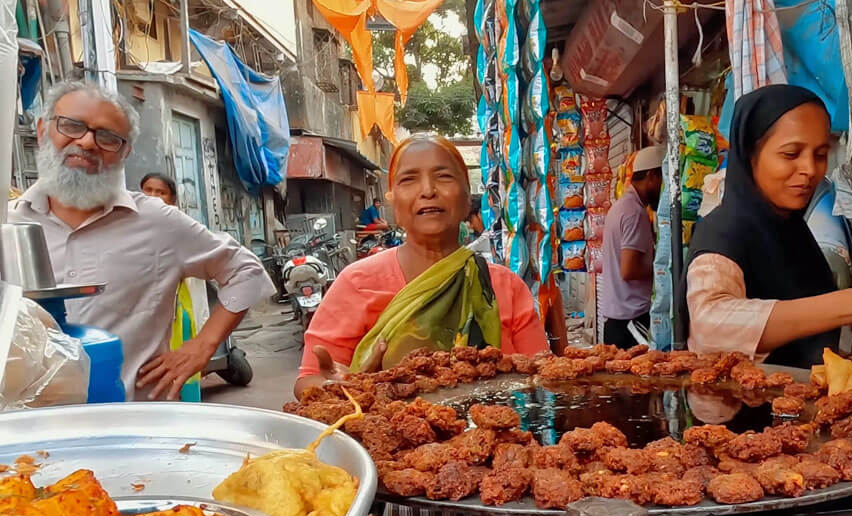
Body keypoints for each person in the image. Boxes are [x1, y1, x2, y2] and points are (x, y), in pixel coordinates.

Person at [8, 80, 274, 400]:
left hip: (139, 426)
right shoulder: (8, 225)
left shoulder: (157, 222)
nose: (88, 142)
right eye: (73, 125)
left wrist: (203, 346)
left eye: (108, 137)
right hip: (30, 430)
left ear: (124, 154)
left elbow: (245, 270)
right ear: (41, 130)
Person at [685, 85, 852, 368]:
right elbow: (710, 327)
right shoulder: (723, 234)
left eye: (820, 154)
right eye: (791, 154)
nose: (810, 170)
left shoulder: (792, 232)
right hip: (743, 411)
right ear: (750, 156)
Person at [295, 133, 549, 397]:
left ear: (467, 200)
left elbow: (542, 378)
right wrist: (348, 387)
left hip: (491, 436)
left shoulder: (505, 287)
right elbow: (307, 381)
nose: (428, 190)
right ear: (394, 203)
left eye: (444, 177)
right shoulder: (356, 283)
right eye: (409, 179)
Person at [138, 172, 202, 403]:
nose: (153, 196)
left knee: (181, 370)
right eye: (148, 190)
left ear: (172, 199)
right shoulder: (131, 227)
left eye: (161, 192)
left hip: (175, 313)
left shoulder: (179, 228)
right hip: (142, 315)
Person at [600, 145, 664, 349]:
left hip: (619, 321)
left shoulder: (620, 207)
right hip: (631, 322)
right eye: (663, 182)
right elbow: (629, 270)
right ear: (652, 176)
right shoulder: (634, 213)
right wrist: (664, 270)